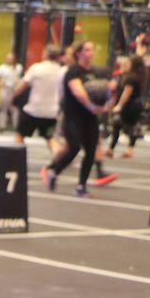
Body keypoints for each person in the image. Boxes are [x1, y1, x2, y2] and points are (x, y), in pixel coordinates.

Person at [42, 40, 107, 198]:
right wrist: (92, 106)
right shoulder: (73, 71)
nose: (90, 53)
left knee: (91, 151)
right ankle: (54, 171)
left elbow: (106, 90)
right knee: (74, 147)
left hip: (90, 118)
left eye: (91, 50)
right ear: (79, 53)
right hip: (73, 116)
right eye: (87, 50)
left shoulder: (96, 72)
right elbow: (78, 92)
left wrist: (106, 105)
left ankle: (81, 186)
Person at [12, 44, 64, 155]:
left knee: (20, 135)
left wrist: (13, 96)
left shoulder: (36, 68)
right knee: (50, 138)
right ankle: (60, 158)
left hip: (33, 109)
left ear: (45, 54)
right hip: (51, 111)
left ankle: (17, 158)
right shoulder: (61, 71)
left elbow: (22, 86)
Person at [108, 53, 146, 159]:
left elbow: (127, 92)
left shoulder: (131, 78)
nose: (126, 64)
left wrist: (120, 105)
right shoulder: (132, 76)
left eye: (128, 63)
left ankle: (126, 150)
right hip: (133, 104)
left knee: (127, 126)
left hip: (130, 105)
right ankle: (112, 149)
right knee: (118, 125)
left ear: (133, 65)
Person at [0, 52, 23, 131]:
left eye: (11, 58)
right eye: (8, 58)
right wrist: (0, 84)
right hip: (5, 89)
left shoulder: (19, 67)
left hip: (15, 90)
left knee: (15, 108)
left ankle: (16, 125)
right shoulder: (2, 68)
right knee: (3, 108)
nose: (10, 60)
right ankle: (2, 125)